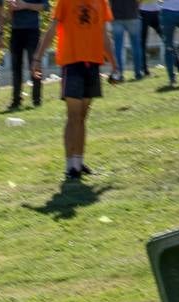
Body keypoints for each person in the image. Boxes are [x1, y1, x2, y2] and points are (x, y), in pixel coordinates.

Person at [33, 0, 114, 180]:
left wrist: (115, 64)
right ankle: (71, 166)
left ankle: (79, 161)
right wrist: (37, 58)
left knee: (83, 116)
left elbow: (103, 34)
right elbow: (52, 29)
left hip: (92, 63)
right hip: (72, 63)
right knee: (73, 116)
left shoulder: (101, 2)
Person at [7, 0, 47, 108]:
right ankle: (16, 100)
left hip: (32, 30)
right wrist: (11, 7)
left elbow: (45, 6)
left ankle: (37, 99)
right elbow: (9, 15)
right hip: (16, 30)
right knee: (16, 68)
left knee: (34, 65)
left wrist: (26, 5)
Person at [109, 0, 144, 82]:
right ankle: (138, 72)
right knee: (136, 46)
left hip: (116, 16)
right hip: (133, 15)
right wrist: (136, 8)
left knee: (118, 47)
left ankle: (119, 73)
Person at [138, 0, 163, 77]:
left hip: (154, 11)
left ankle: (178, 65)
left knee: (167, 39)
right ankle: (144, 69)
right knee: (142, 43)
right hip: (143, 12)